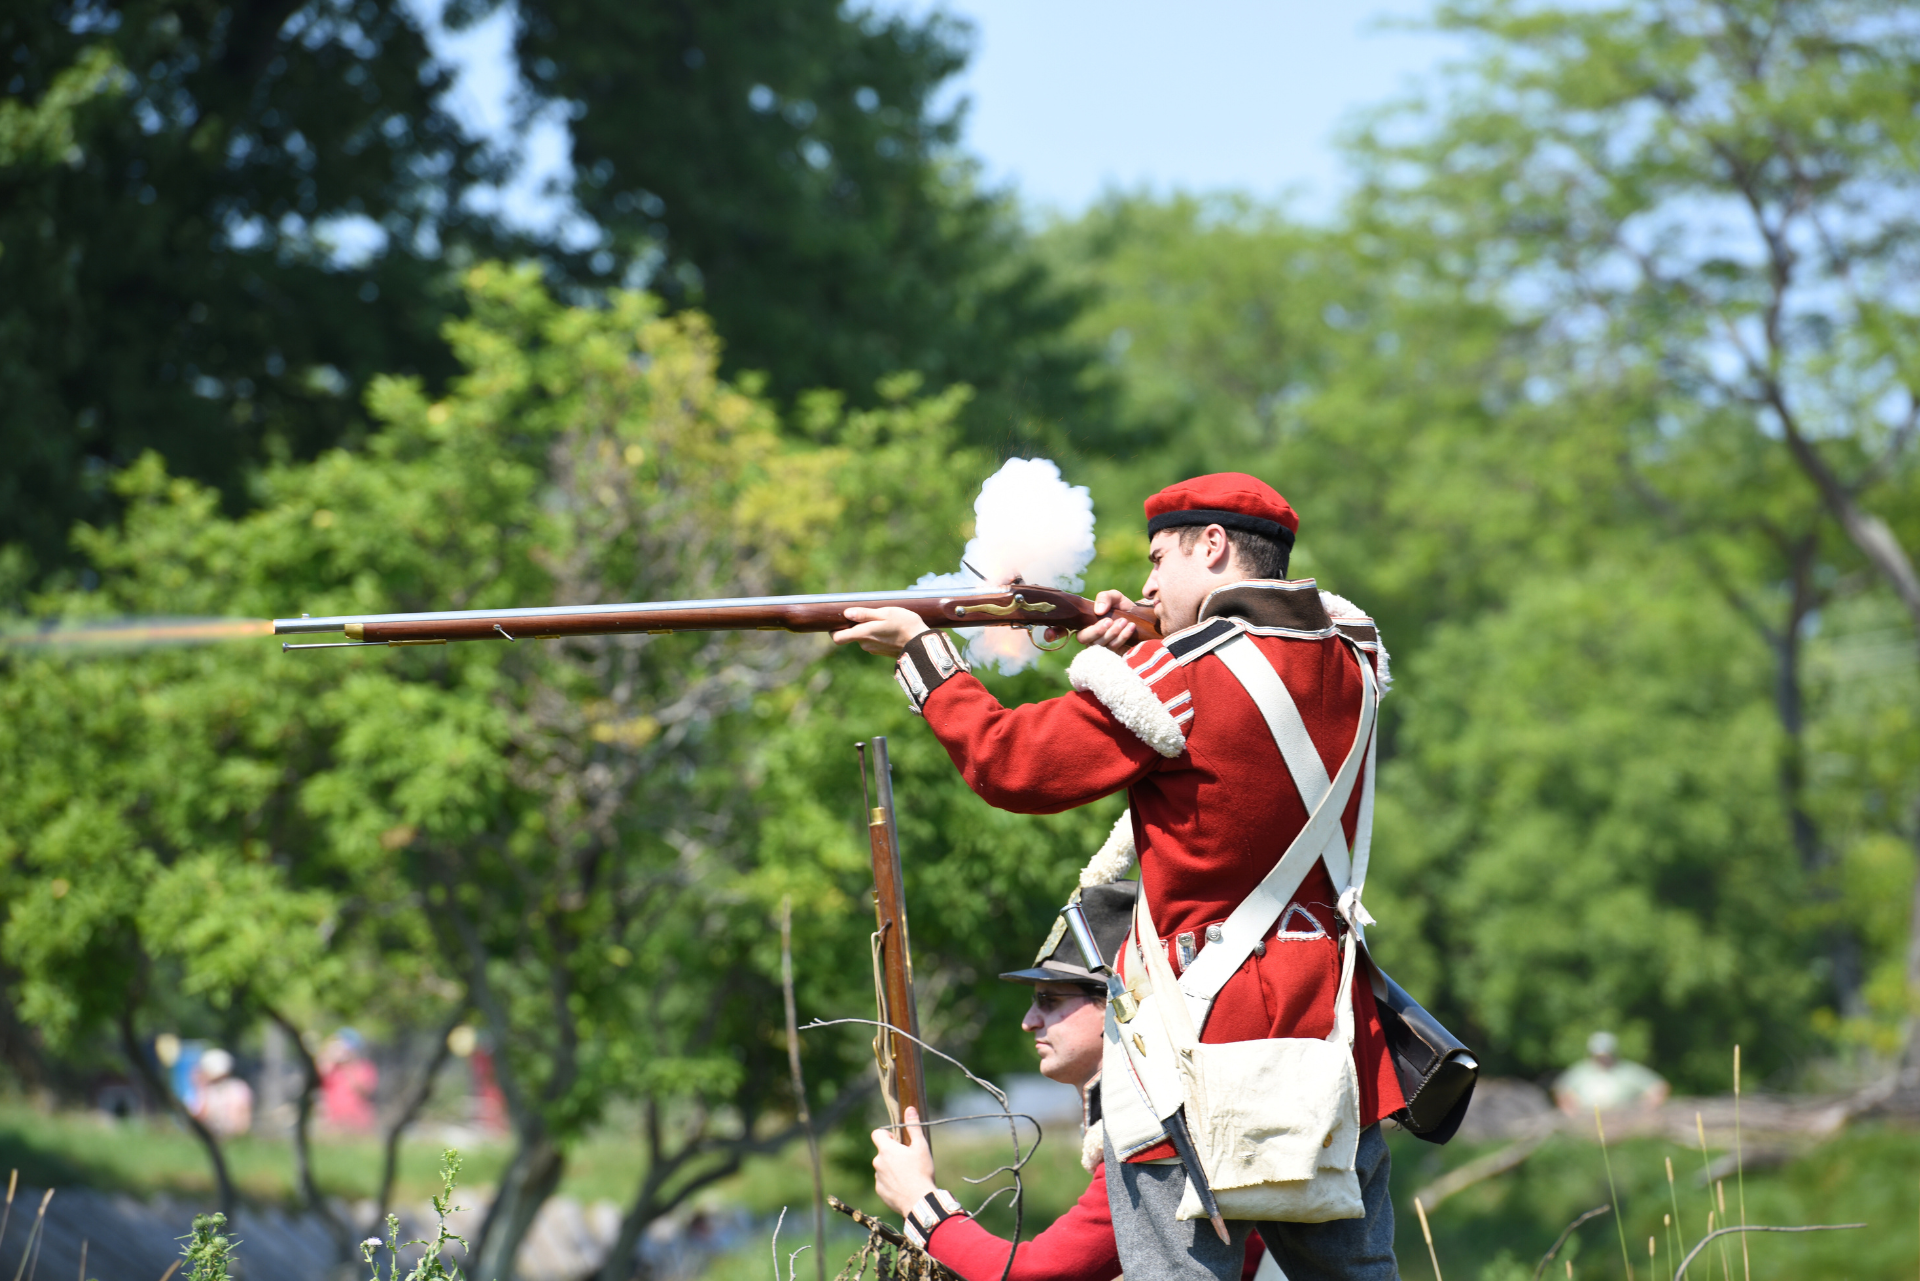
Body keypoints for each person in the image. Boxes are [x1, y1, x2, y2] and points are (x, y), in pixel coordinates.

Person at [835, 473, 1402, 1281]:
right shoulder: (1350, 659)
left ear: (1212, 546)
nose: (1144, 585)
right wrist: (1141, 638)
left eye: (1158, 560)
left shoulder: (1179, 674)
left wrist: (926, 657)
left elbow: (1014, 765)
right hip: (1331, 1043)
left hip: (1195, 1043)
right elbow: (1256, 689)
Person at [870, 882, 1275, 1281]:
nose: (1029, 1022)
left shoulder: (1164, 1121)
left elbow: (1036, 1275)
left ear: (1118, 1003)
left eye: (1049, 1000)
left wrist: (920, 1202)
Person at [1553, 1032, 1668, 1115]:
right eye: (1599, 1055)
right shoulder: (1580, 1071)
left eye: (1606, 1055)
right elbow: (1561, 1091)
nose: (1603, 1059)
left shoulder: (1627, 1070)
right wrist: (1571, 1113)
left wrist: (1646, 1110)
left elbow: (1659, 1087)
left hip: (1624, 1121)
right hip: (1586, 1120)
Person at [190, 1049, 254, 1137]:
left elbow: (243, 1119)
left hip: (234, 1135)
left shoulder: (238, 1088)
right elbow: (198, 1118)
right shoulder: (204, 1090)